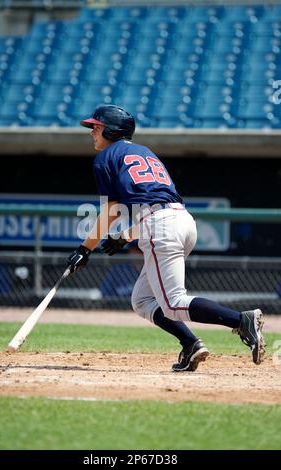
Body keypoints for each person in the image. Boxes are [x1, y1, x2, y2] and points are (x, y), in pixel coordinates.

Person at [67, 104, 266, 372]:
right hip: (181, 221)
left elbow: (114, 209)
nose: (92, 132)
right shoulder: (145, 152)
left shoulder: (105, 157)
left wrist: (84, 248)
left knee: (173, 303)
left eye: (97, 127)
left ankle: (241, 320)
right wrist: (125, 236)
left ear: (111, 131)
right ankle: (191, 343)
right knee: (142, 300)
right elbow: (154, 207)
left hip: (161, 226)